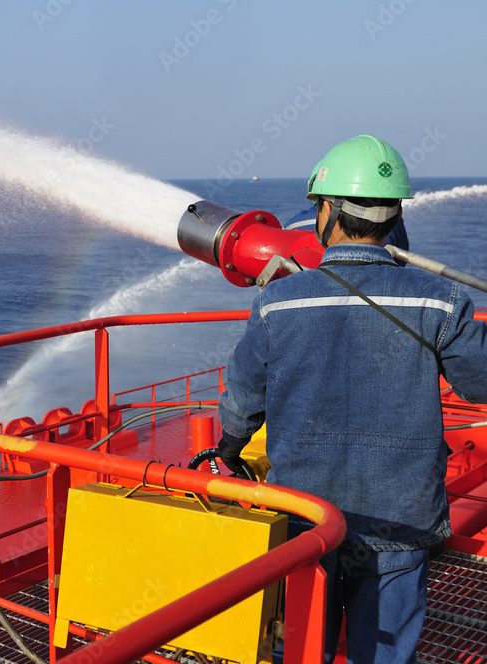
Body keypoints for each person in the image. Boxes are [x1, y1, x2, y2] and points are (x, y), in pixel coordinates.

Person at [216, 134, 487, 664]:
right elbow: (479, 384)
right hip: (402, 515)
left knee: (301, 647)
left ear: (329, 211)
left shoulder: (278, 300)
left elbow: (245, 393)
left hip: (307, 514)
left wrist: (229, 445)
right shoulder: (444, 299)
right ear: (394, 215)